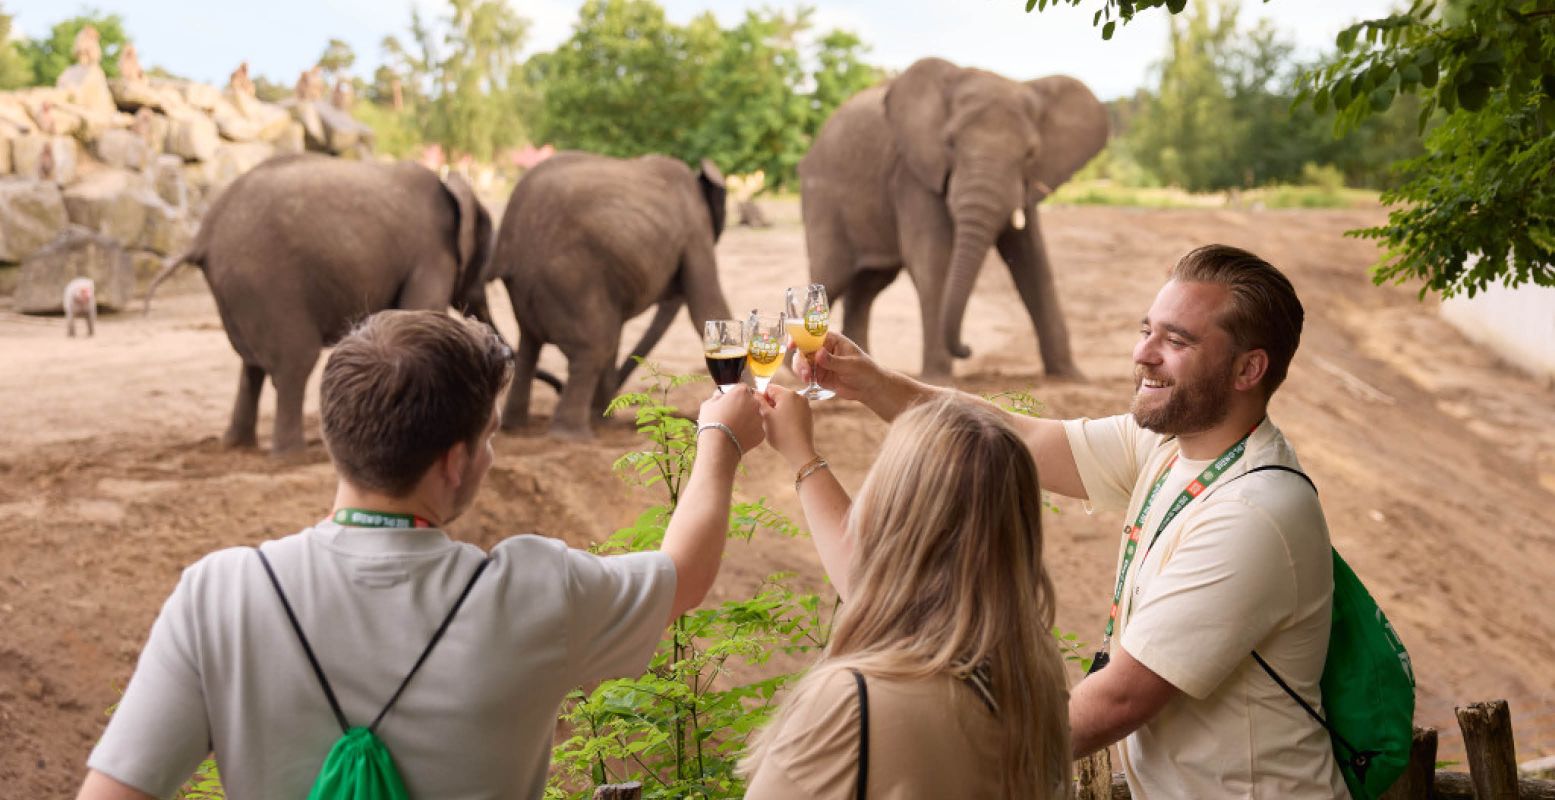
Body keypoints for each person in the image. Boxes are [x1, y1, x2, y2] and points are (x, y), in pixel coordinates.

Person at [76, 309, 766, 800]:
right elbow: (686, 575)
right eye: (490, 436)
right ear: (455, 459)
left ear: (337, 433)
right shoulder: (535, 590)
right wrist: (719, 440)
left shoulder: (220, 593)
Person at [794, 244, 1347, 798]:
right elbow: (1018, 437)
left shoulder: (1251, 513)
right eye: (1146, 329)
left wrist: (945, 758)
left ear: (1248, 369)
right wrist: (867, 381)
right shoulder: (1167, 445)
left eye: (1176, 341)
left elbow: (1118, 700)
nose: (1144, 354)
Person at [741, 391, 1072, 798]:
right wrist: (801, 455)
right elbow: (882, 588)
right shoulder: (1032, 673)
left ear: (888, 513)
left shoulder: (852, 703)